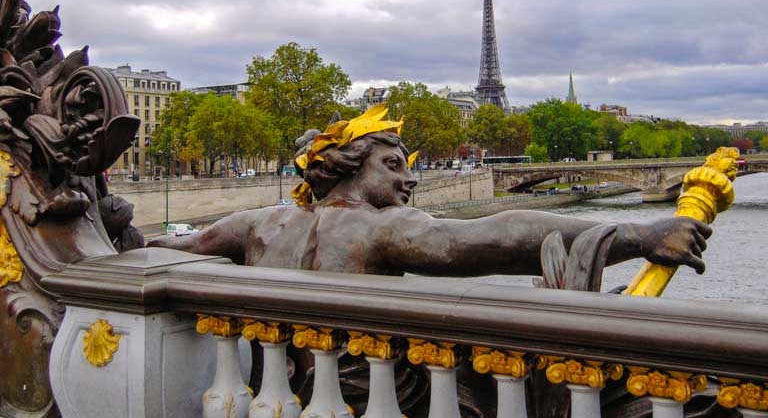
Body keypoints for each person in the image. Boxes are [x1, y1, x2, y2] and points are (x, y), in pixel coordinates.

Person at [149, 104, 710, 278]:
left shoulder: (258, 224)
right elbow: (496, 235)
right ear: (349, 165)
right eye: (393, 164)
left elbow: (168, 251)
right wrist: (639, 235)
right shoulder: (378, 228)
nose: (408, 178)